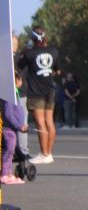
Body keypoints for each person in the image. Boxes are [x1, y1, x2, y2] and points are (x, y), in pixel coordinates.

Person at [19, 26, 59, 164]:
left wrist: (24, 52)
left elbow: (20, 67)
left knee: (40, 123)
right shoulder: (53, 51)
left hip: (36, 92)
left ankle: (44, 154)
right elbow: (57, 70)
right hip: (50, 90)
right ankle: (49, 153)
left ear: (32, 37)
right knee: (50, 122)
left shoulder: (30, 54)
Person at [1, 71, 30, 185]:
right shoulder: (10, 96)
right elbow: (8, 114)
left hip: (12, 128)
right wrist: (19, 125)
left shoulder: (14, 93)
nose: (22, 82)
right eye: (20, 79)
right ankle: (4, 175)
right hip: (8, 129)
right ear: (16, 81)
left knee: (11, 151)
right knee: (9, 152)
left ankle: (8, 174)